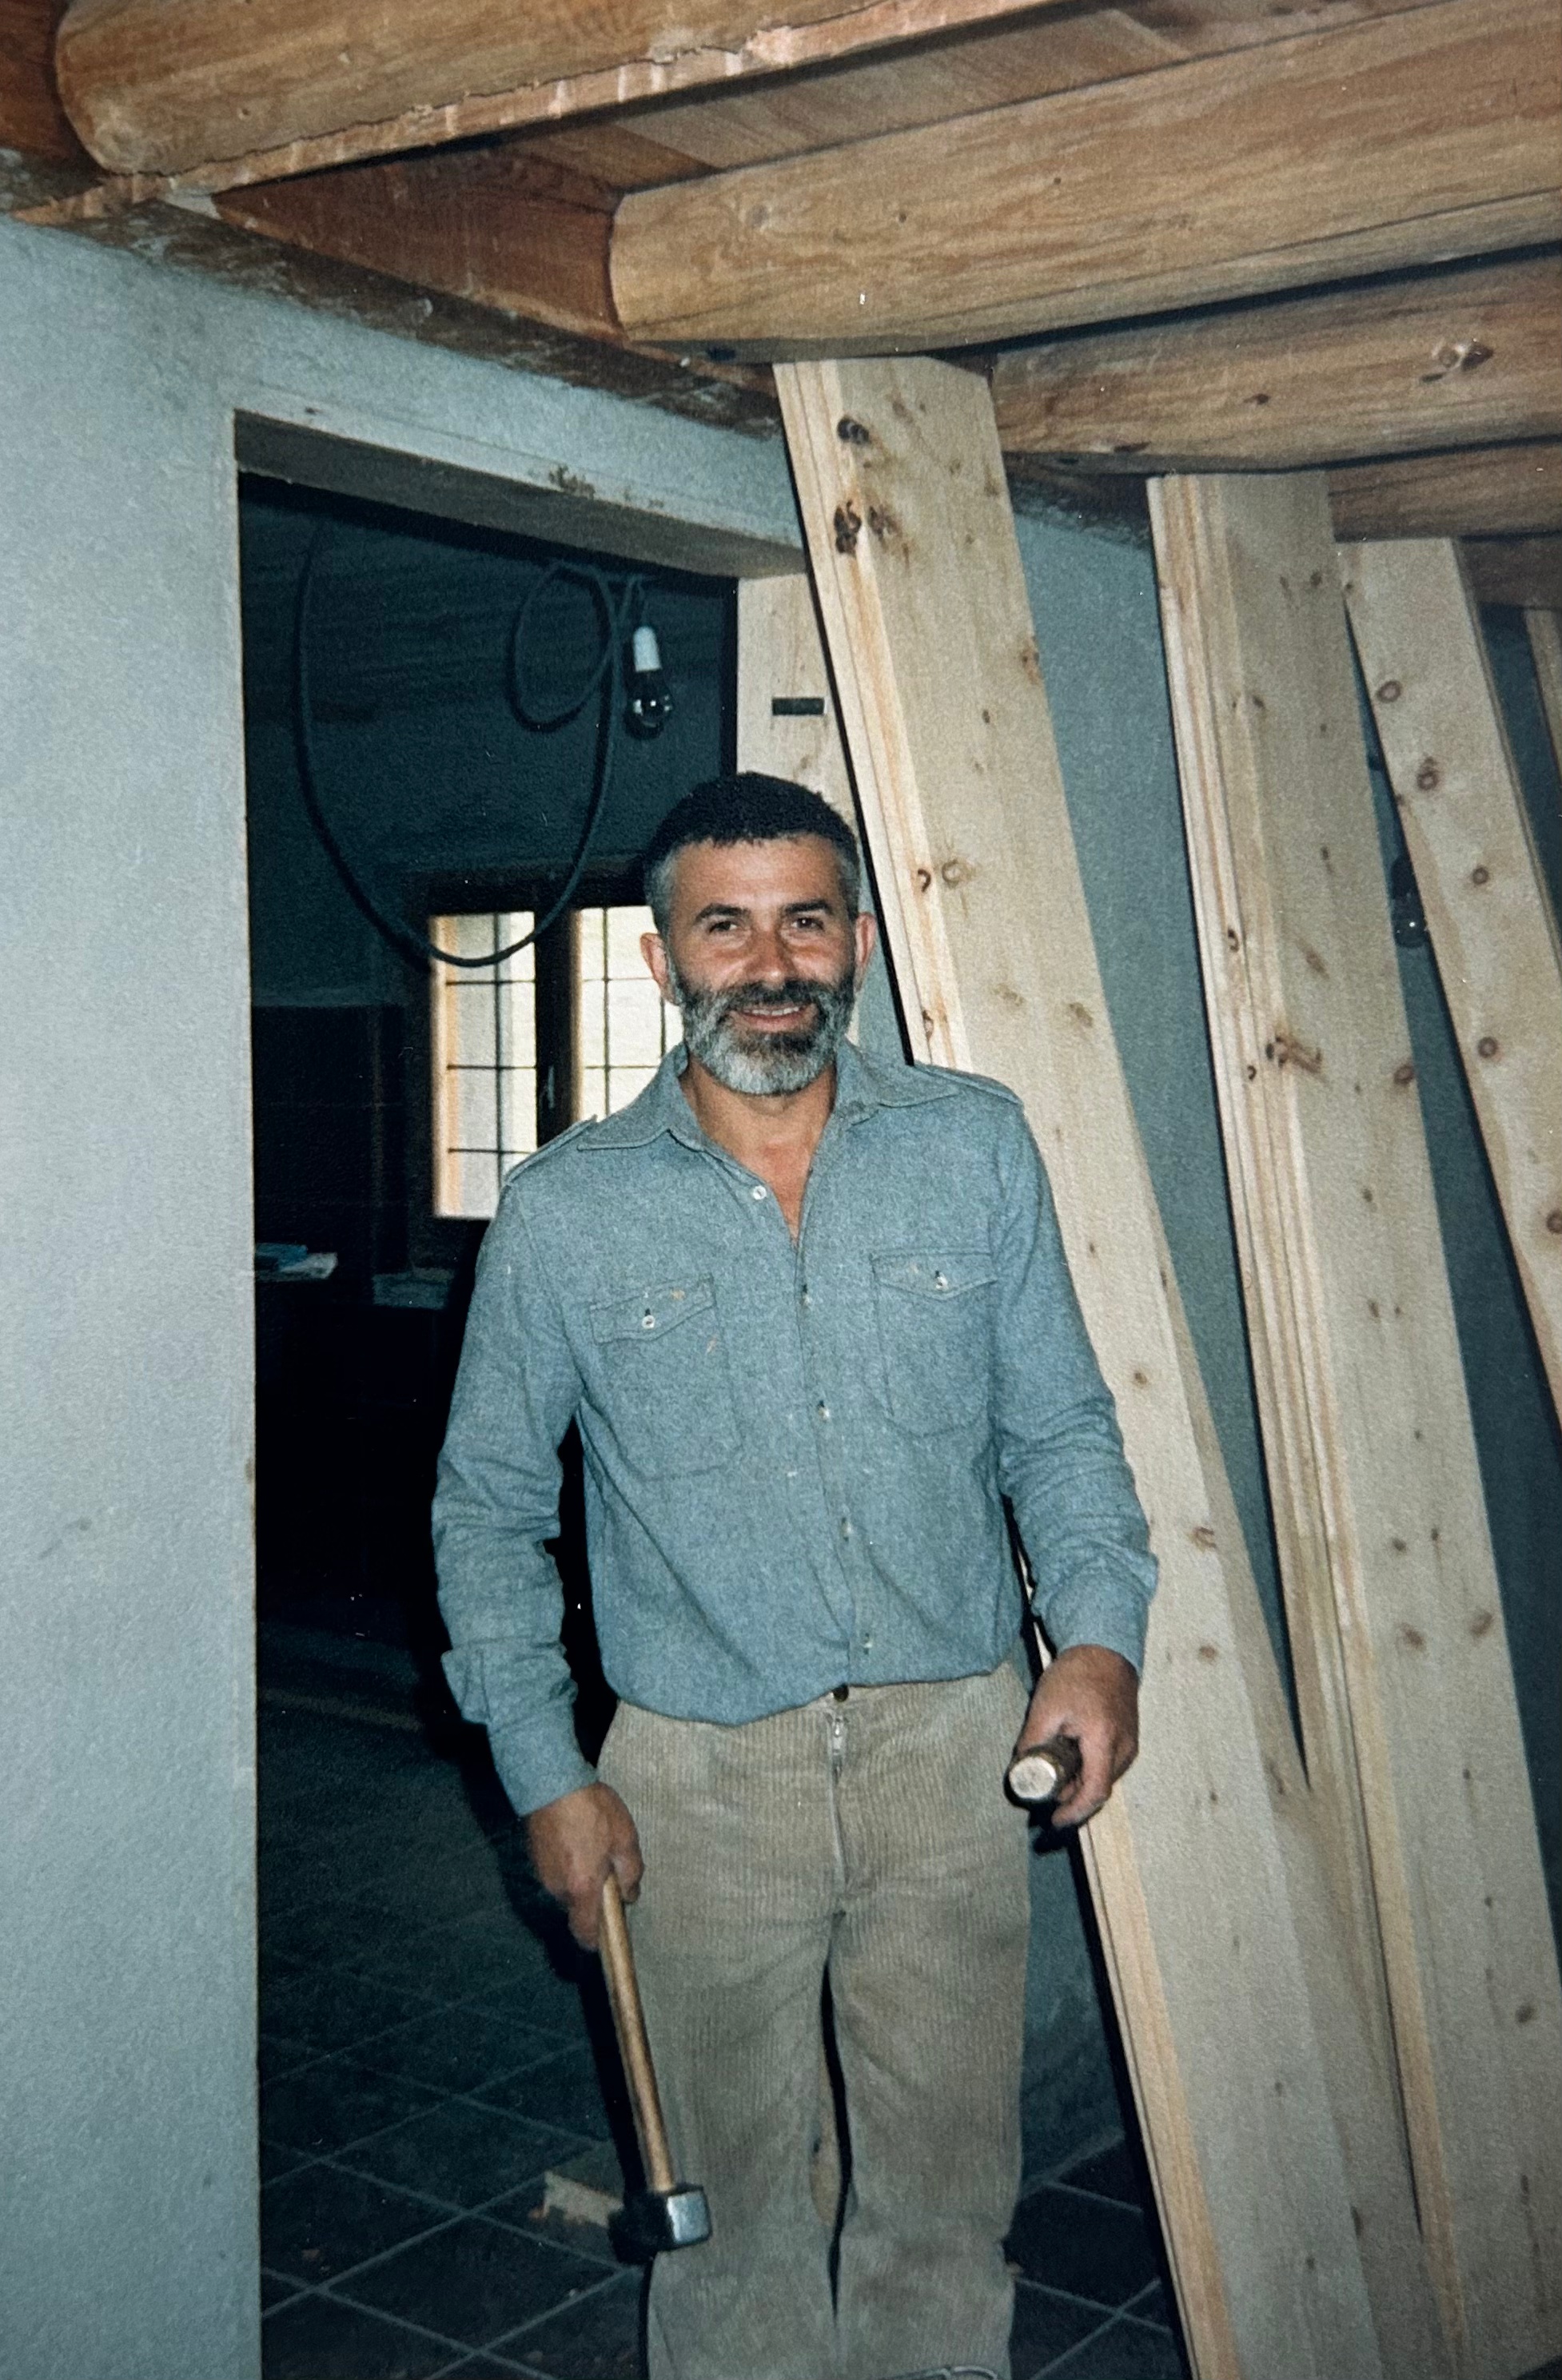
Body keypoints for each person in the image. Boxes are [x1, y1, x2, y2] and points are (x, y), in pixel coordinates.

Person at [433, 773, 1155, 2380]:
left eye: (803, 922)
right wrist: (546, 1772)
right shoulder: (564, 1215)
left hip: (950, 1762)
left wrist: (1099, 1638)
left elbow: (1057, 1429)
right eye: (724, 926)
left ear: (859, 944)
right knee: (735, 2226)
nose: (769, 965)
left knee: (942, 2208)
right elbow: (484, 1513)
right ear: (661, 960)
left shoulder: (972, 1146)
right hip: (693, 1784)